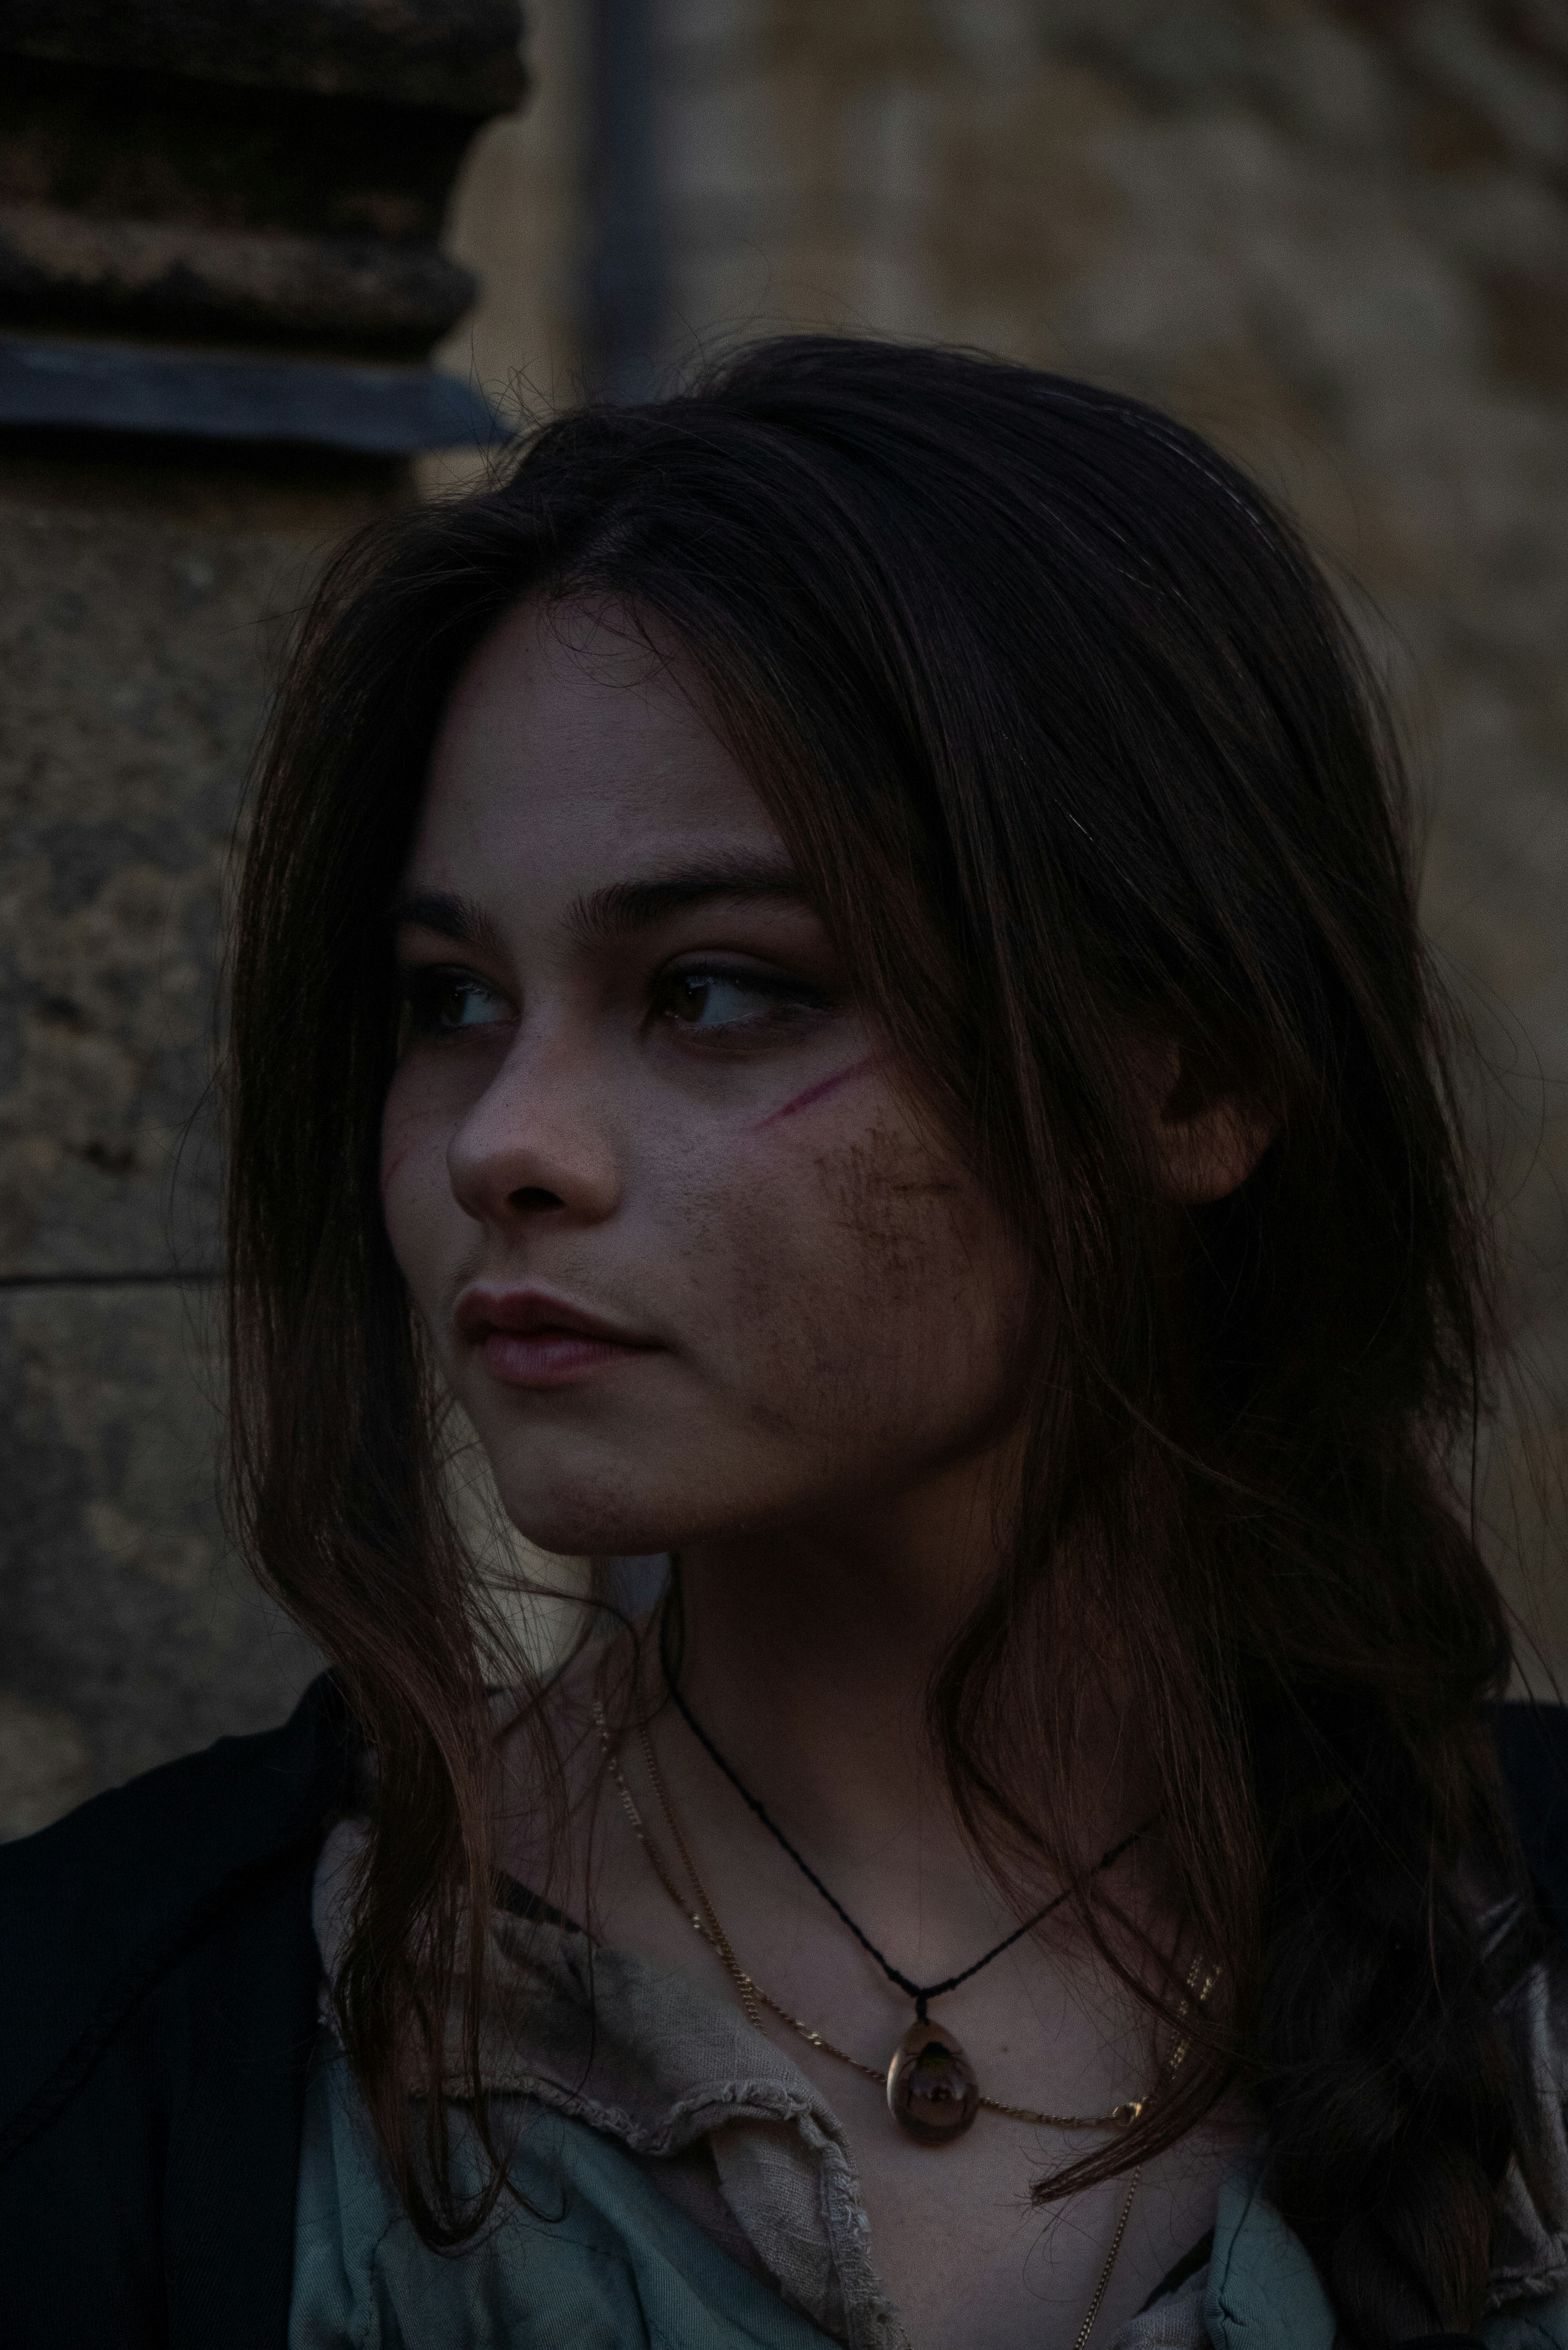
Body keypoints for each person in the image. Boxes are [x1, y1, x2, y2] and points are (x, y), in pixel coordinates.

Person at [2, 336, 1566, 2350]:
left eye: (719, 987)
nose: (506, 1143)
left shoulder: (1496, 1974)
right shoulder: (109, 2051)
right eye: (447, 999)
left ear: (1194, 1073)